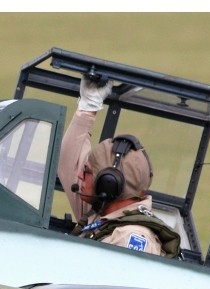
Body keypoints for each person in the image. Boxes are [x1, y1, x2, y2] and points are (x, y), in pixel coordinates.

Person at [58, 76, 180, 257]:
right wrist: (88, 107)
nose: (79, 176)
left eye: (87, 172)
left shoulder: (131, 237)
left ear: (108, 184)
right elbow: (68, 162)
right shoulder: (104, 215)